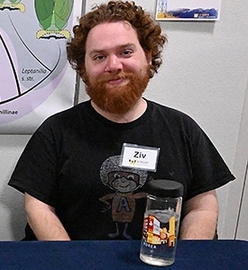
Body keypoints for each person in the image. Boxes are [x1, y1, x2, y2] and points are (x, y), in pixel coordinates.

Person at [8, 0, 235, 241]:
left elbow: (202, 207)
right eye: (99, 57)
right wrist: (74, 267)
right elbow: (38, 208)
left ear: (148, 56)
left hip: (160, 269)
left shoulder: (183, 130)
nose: (114, 65)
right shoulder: (55, 132)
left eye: (125, 52)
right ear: (84, 68)